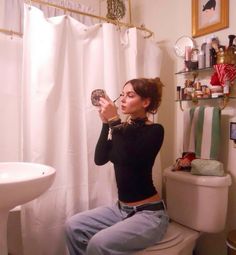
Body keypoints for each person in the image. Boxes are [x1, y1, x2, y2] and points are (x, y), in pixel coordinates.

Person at [65, 77, 169, 255]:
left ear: (145, 102)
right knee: (73, 226)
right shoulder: (122, 129)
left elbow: (128, 157)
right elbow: (100, 159)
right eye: (122, 94)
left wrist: (114, 120)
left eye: (130, 95)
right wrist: (106, 124)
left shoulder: (155, 131)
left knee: (98, 244)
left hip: (149, 214)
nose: (122, 99)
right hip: (120, 209)